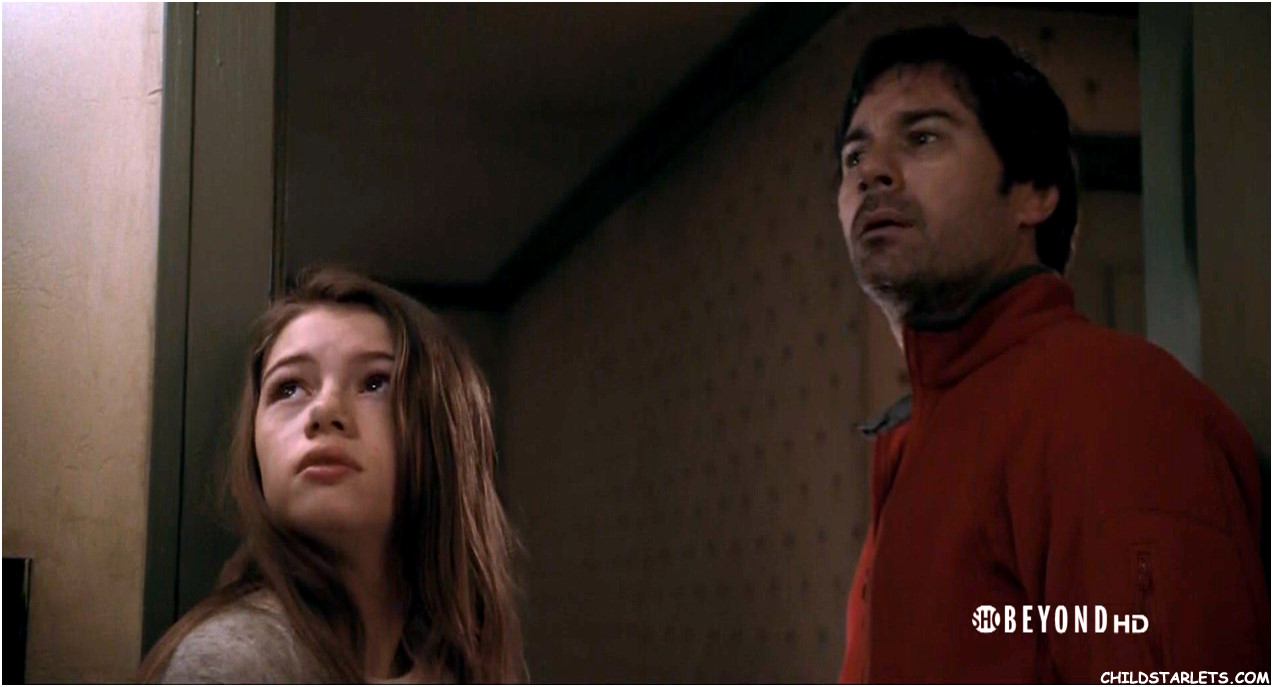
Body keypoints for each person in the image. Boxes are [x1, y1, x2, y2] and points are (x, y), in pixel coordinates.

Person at [833, 25, 1268, 683]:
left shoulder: (1112, 404)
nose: (871, 172)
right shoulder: (918, 438)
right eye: (853, 157)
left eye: (922, 138)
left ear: (1033, 192)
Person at [138, 267, 526, 683]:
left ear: (443, 434)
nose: (324, 410)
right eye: (289, 388)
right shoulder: (233, 663)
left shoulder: (457, 667)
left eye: (375, 383)